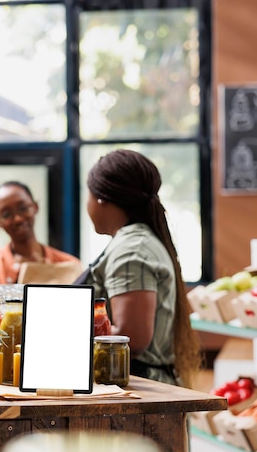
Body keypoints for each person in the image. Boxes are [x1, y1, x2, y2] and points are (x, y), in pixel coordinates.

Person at [77, 149, 202, 388]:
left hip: (136, 392)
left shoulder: (132, 250)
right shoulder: (135, 242)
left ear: (101, 198)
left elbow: (132, 337)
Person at [0, 181, 81, 284]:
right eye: (6, 215)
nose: (18, 219)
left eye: (23, 208)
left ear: (35, 207)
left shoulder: (68, 264)